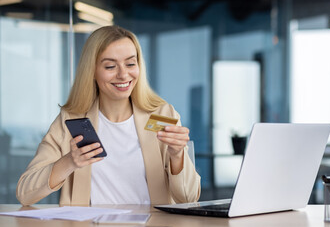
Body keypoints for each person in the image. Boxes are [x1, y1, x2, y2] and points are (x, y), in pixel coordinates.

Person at [16, 25, 201, 206]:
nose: (123, 74)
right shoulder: (70, 119)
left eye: (130, 63)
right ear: (92, 71)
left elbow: (189, 198)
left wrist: (177, 156)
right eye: (110, 66)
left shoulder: (162, 115)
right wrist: (69, 162)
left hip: (150, 226)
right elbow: (25, 194)